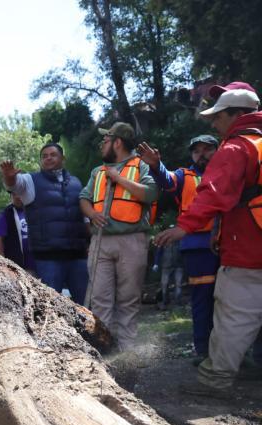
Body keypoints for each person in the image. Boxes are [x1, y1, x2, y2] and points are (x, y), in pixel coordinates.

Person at [156, 85, 262, 397]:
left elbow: (213, 193)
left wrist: (183, 226)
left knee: (232, 313)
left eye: (218, 117)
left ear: (237, 116)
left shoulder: (236, 148)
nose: (213, 123)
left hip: (248, 246)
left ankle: (216, 380)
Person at [79, 122, 159, 352]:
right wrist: (92, 213)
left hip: (132, 240)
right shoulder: (97, 172)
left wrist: (119, 179)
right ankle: (103, 350)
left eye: (105, 140)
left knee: (128, 300)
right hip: (100, 241)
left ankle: (125, 354)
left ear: (117, 142)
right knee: (99, 299)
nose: (101, 145)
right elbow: (83, 198)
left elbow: (151, 194)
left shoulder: (141, 166)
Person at [139, 135, 219, 358]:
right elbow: (167, 180)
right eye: (196, 151)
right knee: (203, 299)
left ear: (218, 150)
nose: (201, 154)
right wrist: (156, 165)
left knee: (231, 300)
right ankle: (203, 350)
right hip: (197, 245)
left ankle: (231, 353)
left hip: (231, 242)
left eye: (207, 149)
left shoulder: (228, 171)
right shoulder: (186, 175)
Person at [0, 143, 89, 301]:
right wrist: (9, 176)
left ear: (63, 158)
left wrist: (90, 243)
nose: (48, 158)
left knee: (85, 304)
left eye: (52, 155)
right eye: (44, 156)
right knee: (51, 307)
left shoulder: (76, 182)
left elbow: (84, 215)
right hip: (48, 258)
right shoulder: (30, 181)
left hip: (78, 256)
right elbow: (14, 184)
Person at [0, 193, 35, 273]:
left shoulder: (33, 209)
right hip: (19, 266)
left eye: (19, 193)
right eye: (14, 194)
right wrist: (3, 261)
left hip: (39, 262)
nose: (17, 197)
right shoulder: (6, 214)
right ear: (11, 197)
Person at [152, 235, 184, 310]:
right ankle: (165, 301)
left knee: (178, 284)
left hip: (178, 265)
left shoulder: (181, 241)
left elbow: (184, 252)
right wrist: (156, 263)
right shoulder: (164, 241)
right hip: (166, 265)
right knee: (164, 284)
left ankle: (178, 303)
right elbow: (159, 252)